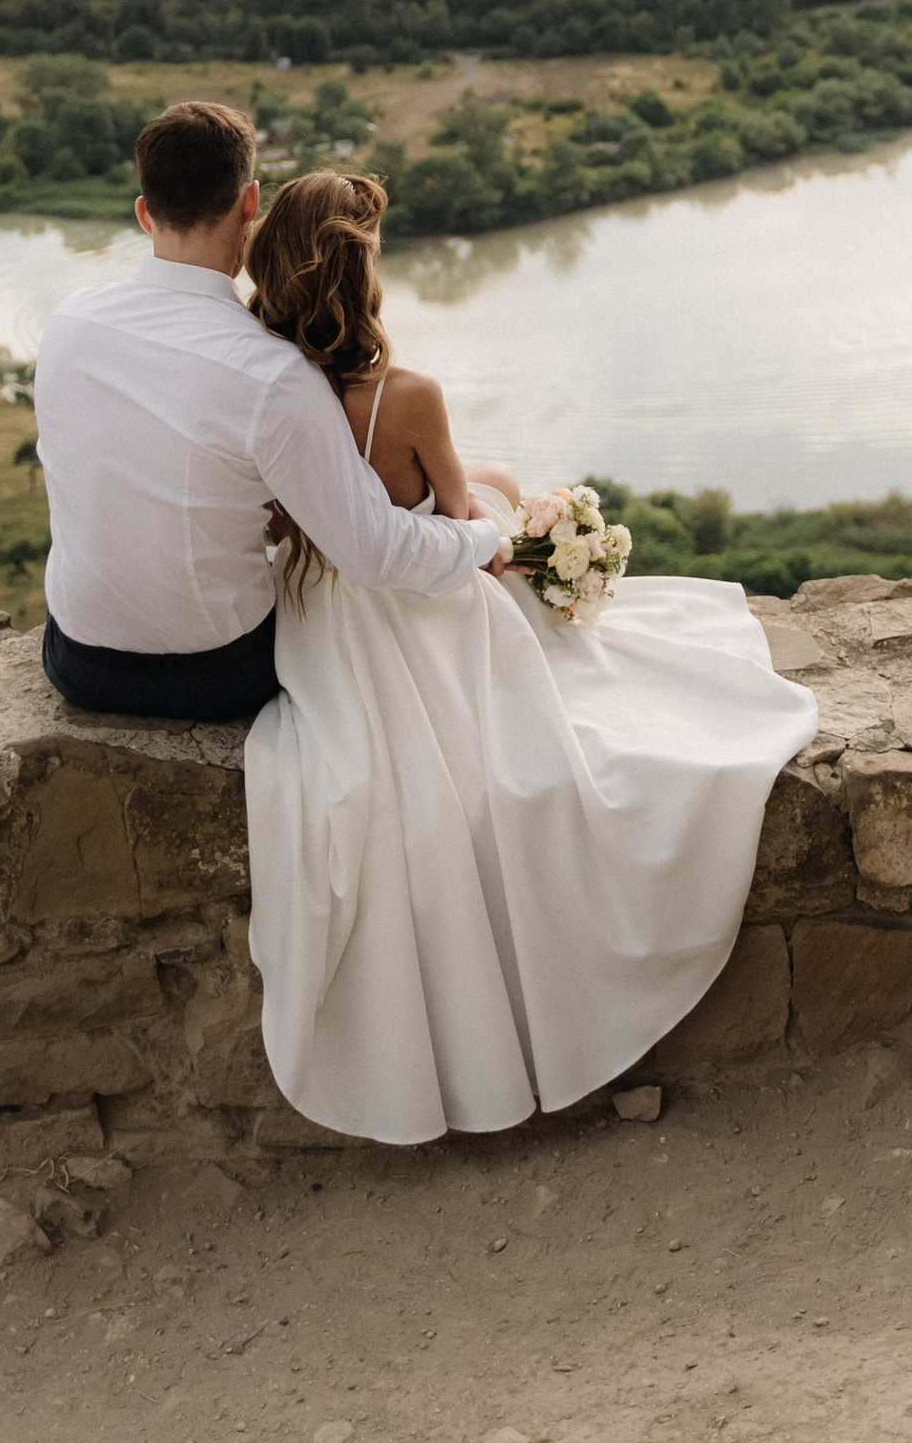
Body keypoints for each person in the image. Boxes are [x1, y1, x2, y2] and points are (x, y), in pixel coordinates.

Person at [240, 165, 817, 1146]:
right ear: (359, 275)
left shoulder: (259, 382)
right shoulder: (406, 395)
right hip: (423, 616)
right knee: (516, 536)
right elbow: (463, 522)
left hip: (325, 623)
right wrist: (515, 522)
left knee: (503, 489)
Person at [32, 100, 500, 723]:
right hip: (213, 677)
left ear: (145, 213)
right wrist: (485, 535)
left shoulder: (69, 323)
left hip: (76, 663)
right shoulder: (273, 373)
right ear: (250, 204)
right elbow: (373, 552)